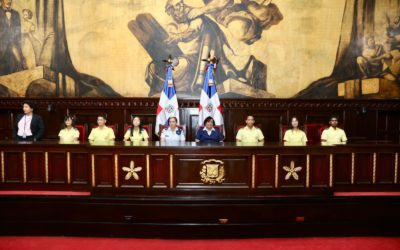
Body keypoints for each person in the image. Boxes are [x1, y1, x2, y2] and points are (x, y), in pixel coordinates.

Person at [0, 0, 26, 75]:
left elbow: (18, 34)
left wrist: (19, 52)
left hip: (14, 50)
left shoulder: (16, 14)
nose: (9, 1)